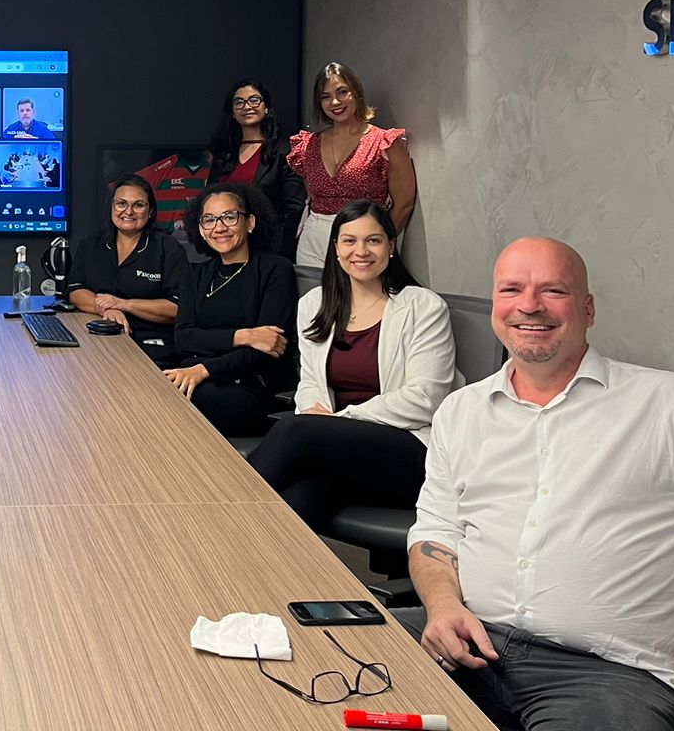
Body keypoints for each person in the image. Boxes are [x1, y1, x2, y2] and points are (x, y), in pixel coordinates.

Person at [397, 237, 674, 731]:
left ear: (588, 309)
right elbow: (436, 530)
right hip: (468, 646)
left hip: (614, 678)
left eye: (552, 290)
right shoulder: (461, 411)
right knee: (312, 664)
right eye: (511, 289)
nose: (529, 305)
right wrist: (444, 604)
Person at [247, 199, 455, 532]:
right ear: (336, 249)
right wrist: (320, 421)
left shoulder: (423, 307)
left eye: (373, 240)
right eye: (350, 241)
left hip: (410, 449)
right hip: (337, 452)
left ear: (390, 246)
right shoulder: (315, 304)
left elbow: (425, 398)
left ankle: (213, 523)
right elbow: (311, 384)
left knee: (294, 430)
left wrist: (338, 421)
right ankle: (253, 579)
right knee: (298, 503)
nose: (361, 250)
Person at [162, 185, 297, 435]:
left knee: (172, 409)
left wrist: (206, 368)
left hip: (249, 384)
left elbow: (267, 350)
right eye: (209, 219)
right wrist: (243, 336)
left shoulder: (276, 270)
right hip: (194, 372)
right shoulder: (195, 274)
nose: (219, 227)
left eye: (229, 217)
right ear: (201, 230)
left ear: (250, 223)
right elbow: (183, 338)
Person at [287, 62, 416, 268]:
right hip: (314, 241)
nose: (335, 102)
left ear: (356, 92)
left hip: (363, 239)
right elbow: (312, 195)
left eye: (342, 92)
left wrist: (379, 239)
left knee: (360, 299)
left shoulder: (383, 142)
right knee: (313, 299)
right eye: (325, 97)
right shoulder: (308, 145)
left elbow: (404, 204)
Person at [66, 174, 185, 362]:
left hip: (152, 347)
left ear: (151, 210)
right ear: (112, 207)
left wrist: (123, 304)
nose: (128, 211)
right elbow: (75, 290)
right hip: (97, 340)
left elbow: (177, 308)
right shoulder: (92, 244)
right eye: (121, 204)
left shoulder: (168, 248)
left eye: (138, 205)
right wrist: (106, 310)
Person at [204, 78, 306, 260]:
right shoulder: (224, 153)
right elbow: (208, 200)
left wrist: (279, 253)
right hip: (225, 249)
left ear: (266, 108)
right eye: (239, 102)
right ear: (233, 113)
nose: (247, 106)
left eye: (254, 100)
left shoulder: (284, 151)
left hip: (268, 251)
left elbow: (294, 208)